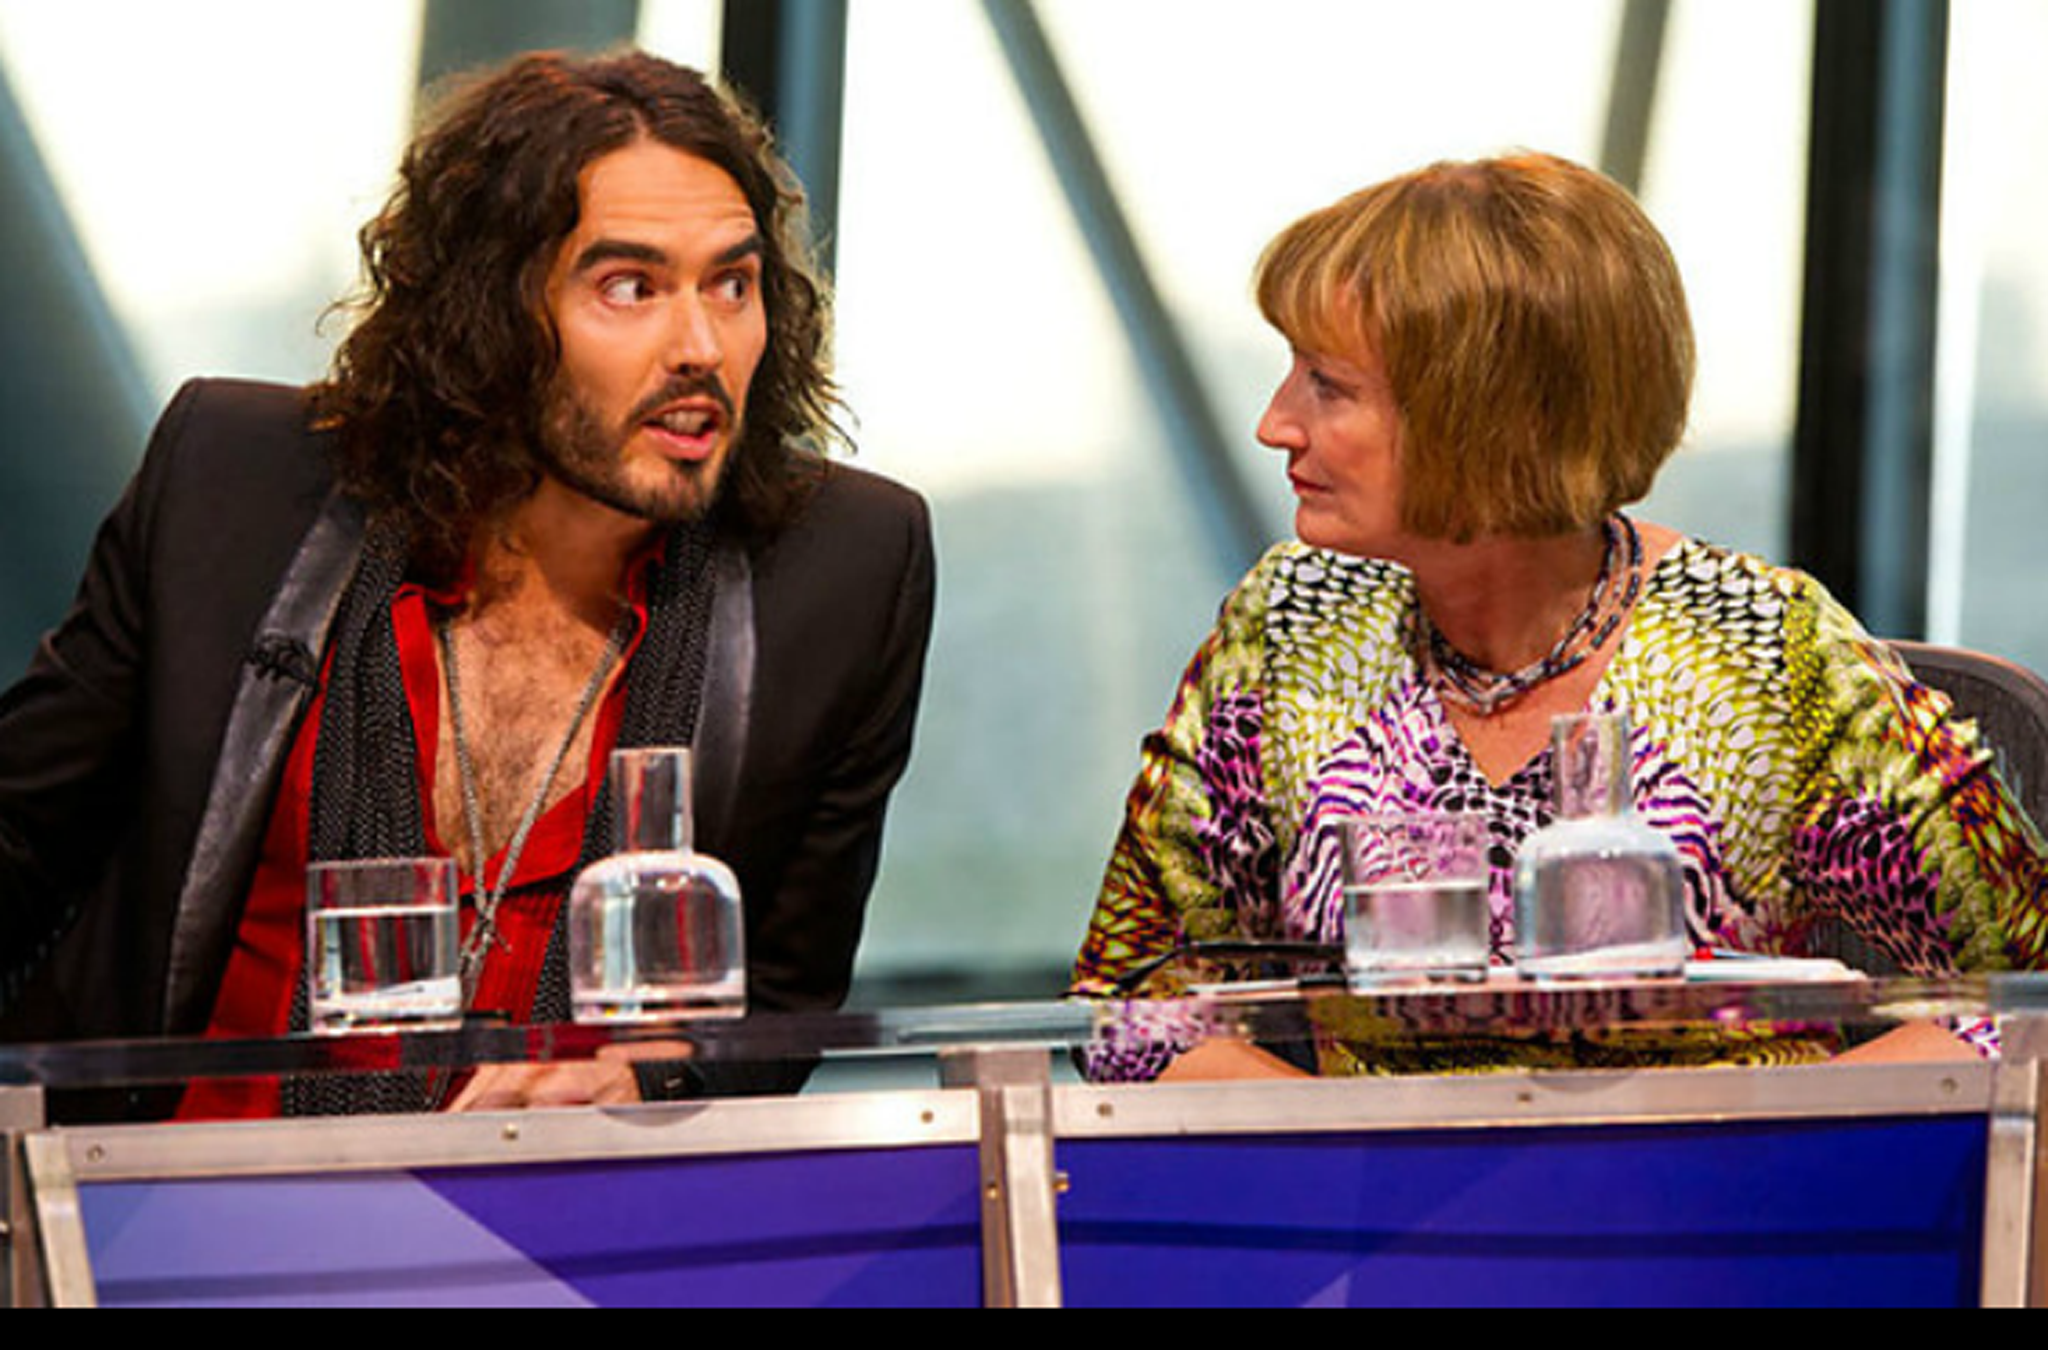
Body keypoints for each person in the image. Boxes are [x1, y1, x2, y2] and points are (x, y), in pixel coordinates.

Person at [0, 51, 935, 1118]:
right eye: (628, 287)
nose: (701, 346)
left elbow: (780, 996)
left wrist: (641, 1073)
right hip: (158, 1217)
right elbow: (22, 842)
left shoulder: (849, 566)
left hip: (564, 1237)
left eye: (732, 283)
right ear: (487, 311)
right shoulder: (235, 483)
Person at [1071, 152, 2048, 1082]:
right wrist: (1361, 1156)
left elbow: (2026, 999)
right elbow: (1132, 1004)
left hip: (1724, 1231)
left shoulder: (1765, 656)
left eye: (1327, 385)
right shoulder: (1290, 626)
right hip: (1372, 1239)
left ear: (1490, 416)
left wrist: (1736, 1143)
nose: (1274, 422)